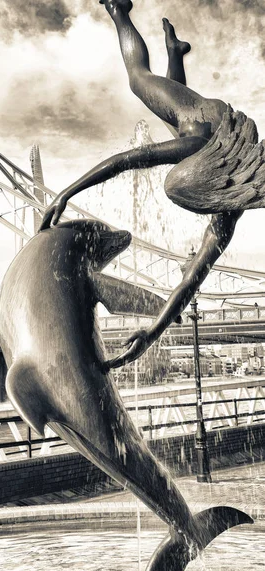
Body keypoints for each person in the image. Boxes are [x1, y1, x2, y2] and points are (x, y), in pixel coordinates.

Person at [39, 0, 265, 368]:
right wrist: (67, 193)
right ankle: (118, 9)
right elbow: (126, 161)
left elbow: (193, 279)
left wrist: (152, 332)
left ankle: (175, 52)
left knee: (172, 115)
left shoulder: (229, 202)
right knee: (139, 79)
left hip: (222, 138)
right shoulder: (195, 138)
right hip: (211, 121)